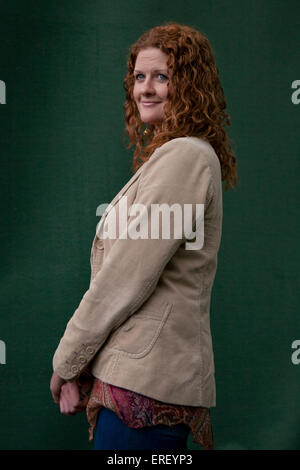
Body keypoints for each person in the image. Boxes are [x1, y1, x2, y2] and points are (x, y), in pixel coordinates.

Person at [50, 21, 238, 451]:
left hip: (146, 387)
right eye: (139, 76)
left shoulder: (184, 157)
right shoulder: (175, 156)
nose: (146, 89)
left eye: (162, 76)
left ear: (189, 85)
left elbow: (125, 278)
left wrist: (66, 362)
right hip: (136, 382)